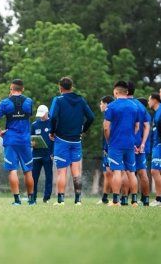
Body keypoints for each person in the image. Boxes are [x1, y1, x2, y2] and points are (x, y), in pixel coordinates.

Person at [0, 79, 35, 206]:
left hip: (11, 139)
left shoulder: (5, 103)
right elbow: (27, 114)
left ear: (11, 89)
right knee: (28, 170)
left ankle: (17, 200)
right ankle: (31, 200)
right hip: (25, 140)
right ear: (22, 89)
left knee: (12, 170)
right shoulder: (29, 101)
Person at [50, 77, 95, 205]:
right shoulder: (81, 100)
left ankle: (61, 200)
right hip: (76, 141)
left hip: (61, 140)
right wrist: (83, 131)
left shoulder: (58, 100)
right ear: (71, 87)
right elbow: (91, 117)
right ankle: (78, 200)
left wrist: (52, 131)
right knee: (76, 171)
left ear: (60, 87)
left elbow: (53, 117)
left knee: (61, 171)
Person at [103, 81, 140, 207]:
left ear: (116, 92)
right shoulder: (134, 106)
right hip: (130, 143)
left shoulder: (112, 106)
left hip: (116, 144)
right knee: (131, 172)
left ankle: (115, 201)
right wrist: (131, 137)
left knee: (117, 172)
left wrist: (109, 141)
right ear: (127, 92)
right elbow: (137, 126)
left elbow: (106, 127)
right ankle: (134, 201)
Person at [126, 82, 151, 206]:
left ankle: (125, 199)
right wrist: (142, 144)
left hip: (128, 144)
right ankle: (145, 200)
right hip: (140, 145)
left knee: (127, 172)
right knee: (142, 173)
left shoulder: (124, 105)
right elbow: (147, 126)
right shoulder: (141, 107)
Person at [31, 105, 54, 204]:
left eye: (42, 114)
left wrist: (53, 153)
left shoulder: (53, 123)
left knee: (49, 177)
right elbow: (30, 138)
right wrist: (32, 143)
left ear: (47, 112)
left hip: (48, 155)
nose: (41, 116)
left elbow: (55, 139)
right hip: (36, 155)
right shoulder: (34, 124)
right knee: (34, 177)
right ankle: (33, 197)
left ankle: (46, 198)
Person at [97, 95, 114, 205]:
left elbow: (109, 131)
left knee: (113, 173)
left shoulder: (111, 113)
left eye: (101, 103)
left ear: (106, 104)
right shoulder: (106, 115)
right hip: (106, 149)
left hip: (112, 148)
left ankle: (118, 197)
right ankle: (104, 198)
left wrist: (108, 146)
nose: (100, 105)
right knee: (107, 174)